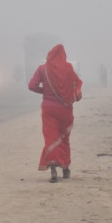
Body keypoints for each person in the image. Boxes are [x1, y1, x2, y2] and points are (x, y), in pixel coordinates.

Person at [28, 44, 83, 183]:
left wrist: (44, 92)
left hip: (49, 109)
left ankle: (52, 167)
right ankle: (65, 168)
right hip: (66, 110)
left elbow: (32, 86)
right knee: (64, 138)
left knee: (51, 137)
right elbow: (77, 90)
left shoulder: (42, 69)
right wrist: (74, 96)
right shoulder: (69, 69)